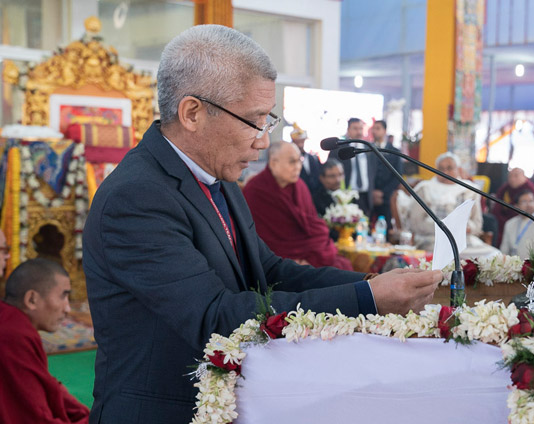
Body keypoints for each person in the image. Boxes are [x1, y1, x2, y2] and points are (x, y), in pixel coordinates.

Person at [82, 25, 442, 424]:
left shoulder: (219, 177)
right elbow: (213, 317)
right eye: (254, 121)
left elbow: (268, 272)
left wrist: (369, 286)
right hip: (160, 410)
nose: (262, 141)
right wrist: (368, 301)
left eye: (268, 120)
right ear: (192, 113)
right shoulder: (136, 197)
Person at [0, 258, 89, 424]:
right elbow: (31, 417)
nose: (68, 309)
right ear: (32, 299)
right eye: (63, 297)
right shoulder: (13, 335)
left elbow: (46, 385)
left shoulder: (11, 321)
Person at [243, 142, 352, 269]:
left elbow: (312, 224)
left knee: (345, 266)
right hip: (277, 257)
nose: (298, 167)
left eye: (299, 160)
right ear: (273, 163)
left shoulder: (300, 186)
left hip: (306, 251)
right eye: (292, 162)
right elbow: (257, 238)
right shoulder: (255, 191)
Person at [403, 152, 499, 258]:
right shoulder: (424, 189)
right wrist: (445, 228)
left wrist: (467, 228)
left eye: (449, 168)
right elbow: (415, 223)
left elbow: (477, 224)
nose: (445, 172)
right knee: (443, 255)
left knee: (494, 256)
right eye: (441, 168)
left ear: (458, 169)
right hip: (432, 240)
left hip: (465, 242)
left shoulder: (470, 190)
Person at [492, 167, 534, 246]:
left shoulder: (530, 190)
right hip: (507, 225)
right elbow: (497, 210)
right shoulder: (505, 189)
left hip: (526, 225)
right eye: (510, 176)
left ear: (524, 177)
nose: (512, 179)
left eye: (516, 176)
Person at [499, 190, 534, 260]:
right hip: (511, 268)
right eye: (524, 202)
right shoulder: (509, 224)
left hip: (533, 269)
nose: (529, 205)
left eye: (531, 201)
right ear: (516, 206)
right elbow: (504, 251)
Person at [370, 120, 402, 229]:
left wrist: (383, 193)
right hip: (369, 196)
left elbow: (398, 175)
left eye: (378, 128)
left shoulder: (394, 151)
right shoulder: (367, 150)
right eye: (373, 128)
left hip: (386, 197)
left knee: (385, 228)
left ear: (384, 131)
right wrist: (372, 192)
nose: (374, 131)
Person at [341, 117, 375, 215]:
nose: (359, 132)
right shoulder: (341, 149)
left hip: (365, 197)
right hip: (347, 195)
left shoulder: (370, 149)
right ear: (348, 130)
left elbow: (373, 171)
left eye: (360, 128)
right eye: (355, 128)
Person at [290, 123, 321, 194]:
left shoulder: (312, 158)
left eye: (302, 141)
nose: (300, 144)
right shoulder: (290, 160)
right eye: (297, 142)